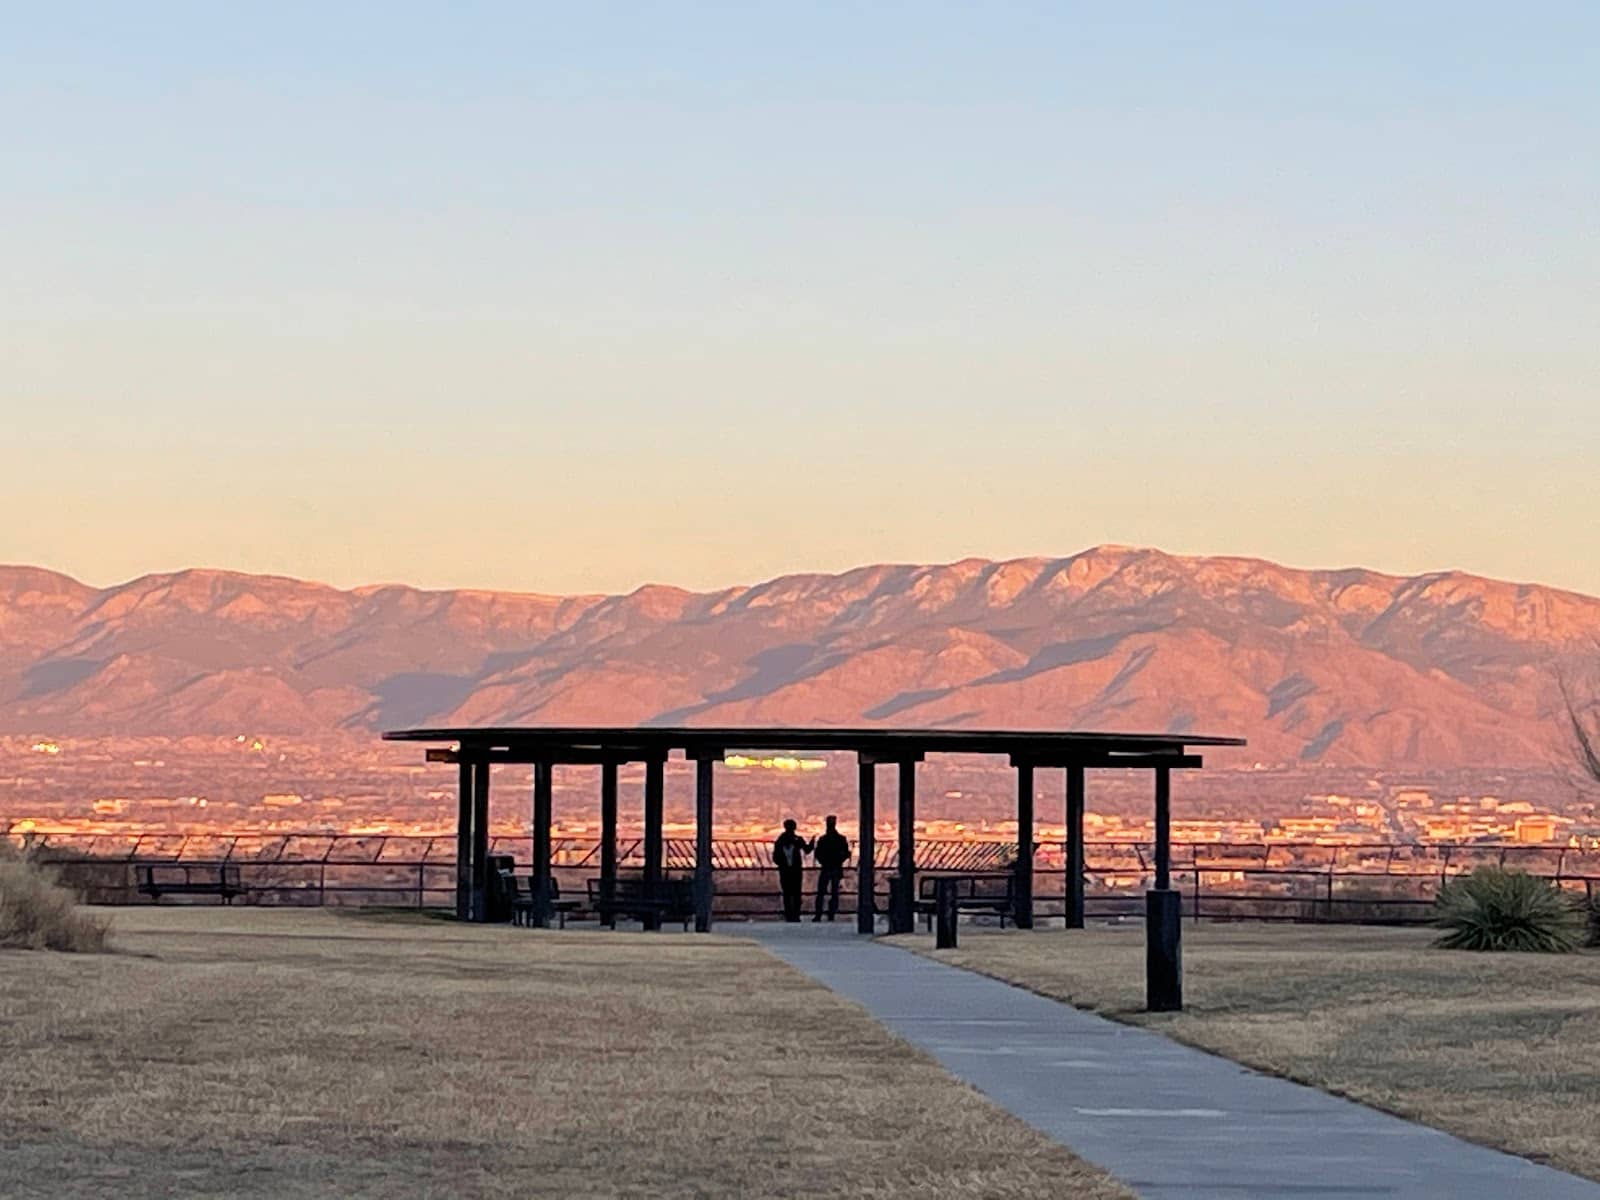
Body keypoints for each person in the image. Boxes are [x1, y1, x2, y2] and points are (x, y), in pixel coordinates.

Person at [811, 814, 851, 921]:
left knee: (822, 892)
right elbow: (846, 853)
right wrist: (838, 860)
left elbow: (818, 854)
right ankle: (830, 914)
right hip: (835, 868)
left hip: (827, 868)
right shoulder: (841, 839)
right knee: (833, 893)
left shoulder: (824, 839)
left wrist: (824, 862)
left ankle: (819, 914)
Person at [771, 818, 812, 922]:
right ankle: (795, 915)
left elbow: (775, 857)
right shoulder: (798, 839)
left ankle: (789, 914)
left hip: (785, 871)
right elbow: (807, 850)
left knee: (787, 893)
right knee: (796, 893)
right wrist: (812, 843)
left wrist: (782, 864)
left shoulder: (780, 840)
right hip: (796, 871)